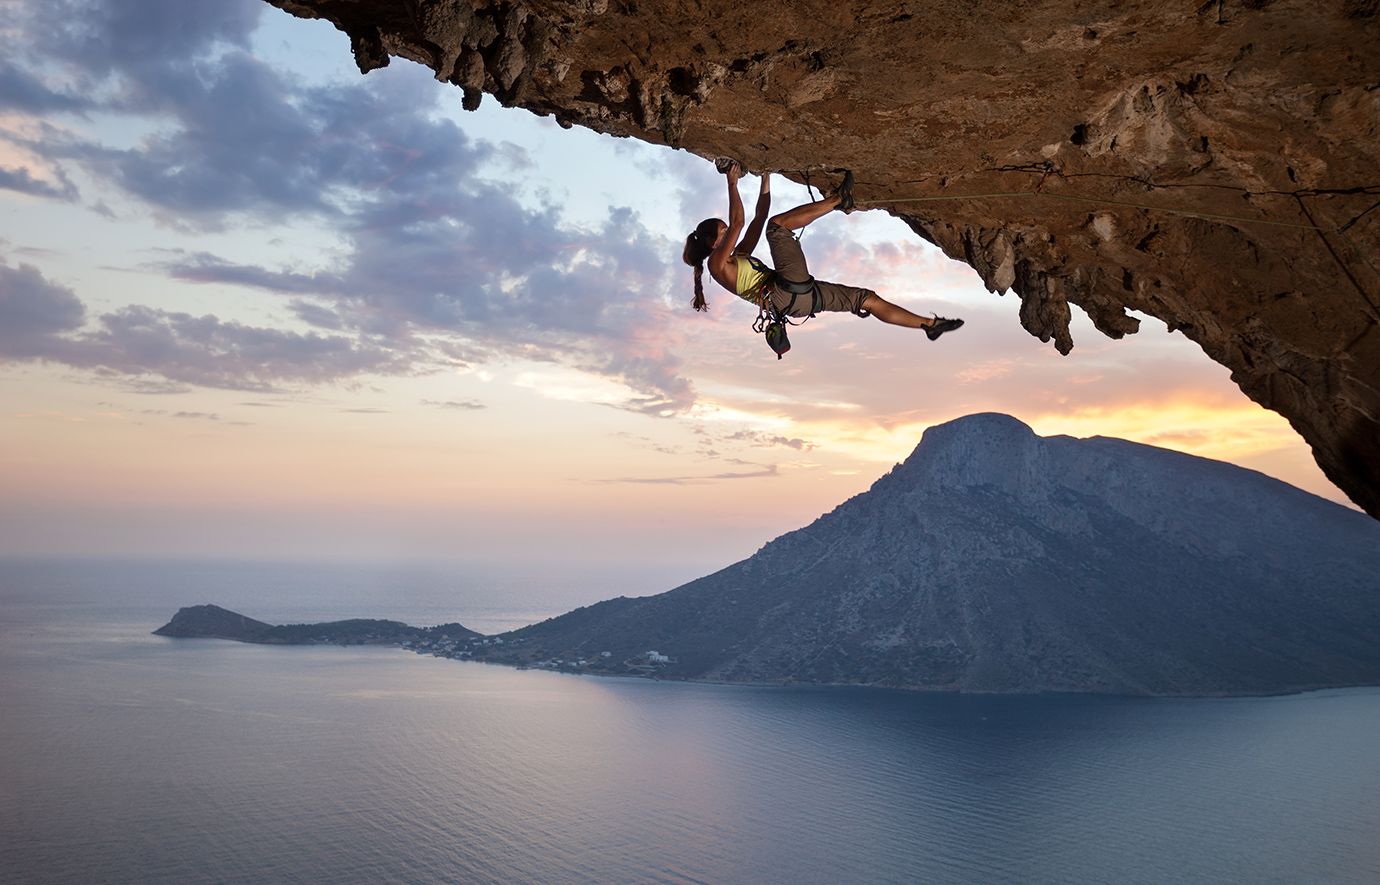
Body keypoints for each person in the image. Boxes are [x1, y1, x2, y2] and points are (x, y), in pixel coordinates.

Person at [682, 162, 964, 339]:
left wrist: (765, 176)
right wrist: (731, 183)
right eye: (721, 231)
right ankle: (839, 199)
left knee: (867, 299)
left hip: (797, 300)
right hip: (784, 292)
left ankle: (929, 324)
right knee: (777, 228)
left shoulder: (737, 256)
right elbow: (740, 222)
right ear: (711, 242)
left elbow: (757, 217)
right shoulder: (717, 266)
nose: (728, 232)